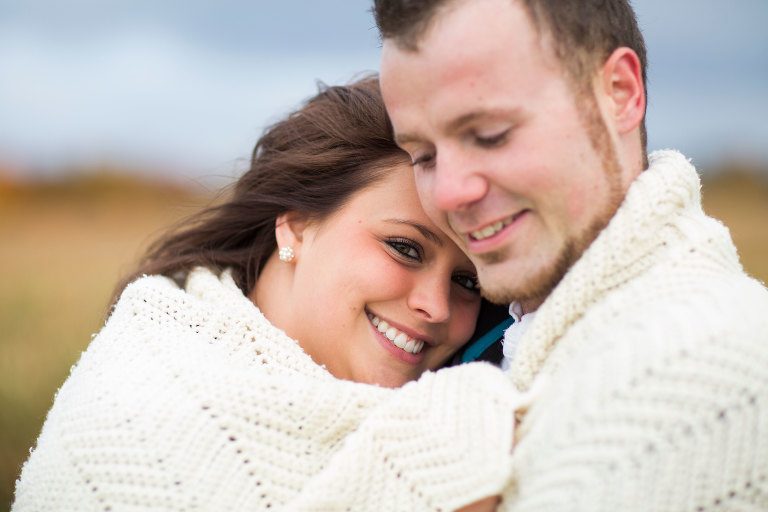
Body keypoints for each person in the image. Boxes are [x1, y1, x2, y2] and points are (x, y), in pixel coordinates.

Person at [12, 76, 524, 511]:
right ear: (296, 224)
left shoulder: (474, 403)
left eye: (468, 282)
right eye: (405, 249)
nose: (436, 307)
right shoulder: (147, 423)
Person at [375, 0, 768, 510]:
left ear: (619, 93)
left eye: (490, 135)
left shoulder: (692, 370)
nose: (450, 193)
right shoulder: (495, 335)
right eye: (424, 156)